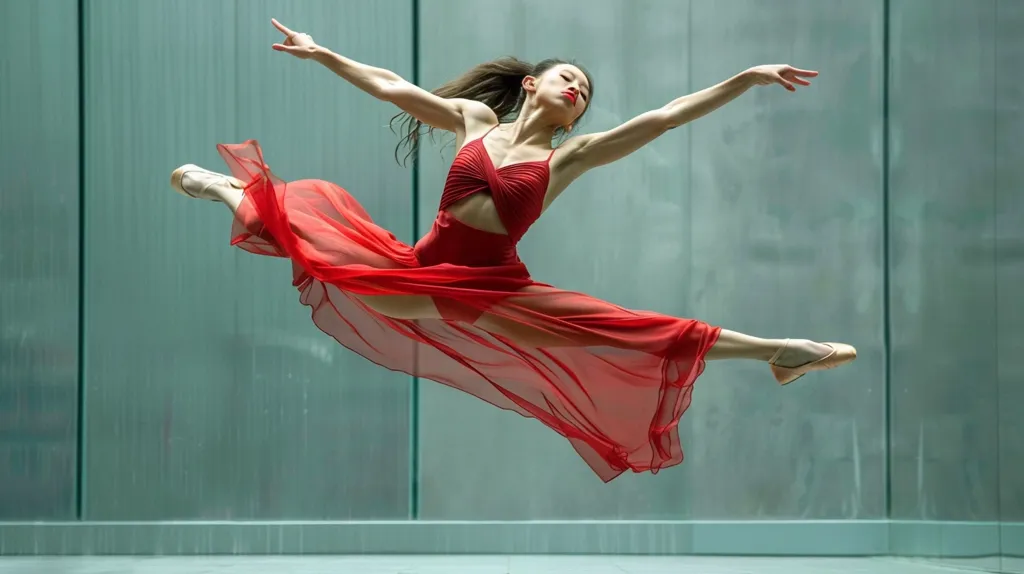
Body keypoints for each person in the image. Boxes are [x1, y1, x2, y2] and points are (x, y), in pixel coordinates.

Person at [169, 18, 856, 482]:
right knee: (319, 241)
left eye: (583, 95)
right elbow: (395, 87)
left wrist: (746, 78)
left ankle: (779, 350)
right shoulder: (476, 119)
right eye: (568, 81)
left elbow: (665, 117)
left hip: (494, 289)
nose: (577, 92)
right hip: (425, 270)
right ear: (534, 85)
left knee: (621, 329)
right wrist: (325, 55)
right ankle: (224, 188)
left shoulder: (573, 157)